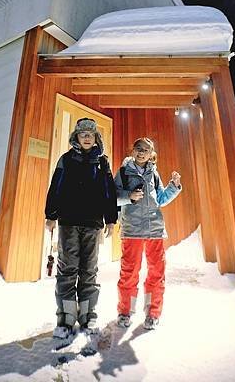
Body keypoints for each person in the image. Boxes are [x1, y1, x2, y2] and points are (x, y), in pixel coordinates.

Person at [45, 117, 118, 339]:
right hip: (68, 222)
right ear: (76, 137)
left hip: (93, 224)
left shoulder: (102, 162)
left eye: (91, 134)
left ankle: (87, 315)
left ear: (96, 138)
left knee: (89, 270)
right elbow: (55, 187)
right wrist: (51, 215)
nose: (87, 137)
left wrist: (111, 219)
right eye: (83, 134)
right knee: (67, 270)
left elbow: (109, 192)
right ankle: (66, 318)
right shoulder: (65, 160)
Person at [115, 137, 182, 330]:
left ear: (151, 154)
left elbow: (160, 199)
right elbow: (111, 196)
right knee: (129, 273)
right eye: (138, 148)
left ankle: (153, 313)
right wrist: (129, 197)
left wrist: (173, 186)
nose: (141, 152)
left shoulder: (154, 173)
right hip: (132, 230)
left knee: (156, 273)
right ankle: (125, 312)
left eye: (146, 150)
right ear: (132, 150)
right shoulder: (123, 172)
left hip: (155, 230)